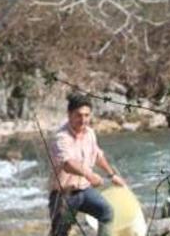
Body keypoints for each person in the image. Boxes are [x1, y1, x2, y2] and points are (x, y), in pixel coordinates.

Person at [49, 93, 127, 236]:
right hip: (64, 195)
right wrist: (89, 175)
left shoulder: (90, 133)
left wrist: (112, 175)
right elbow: (67, 163)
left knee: (106, 212)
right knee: (60, 233)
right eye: (79, 115)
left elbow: (97, 155)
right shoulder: (61, 137)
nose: (83, 119)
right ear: (69, 114)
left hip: (85, 191)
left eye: (86, 115)